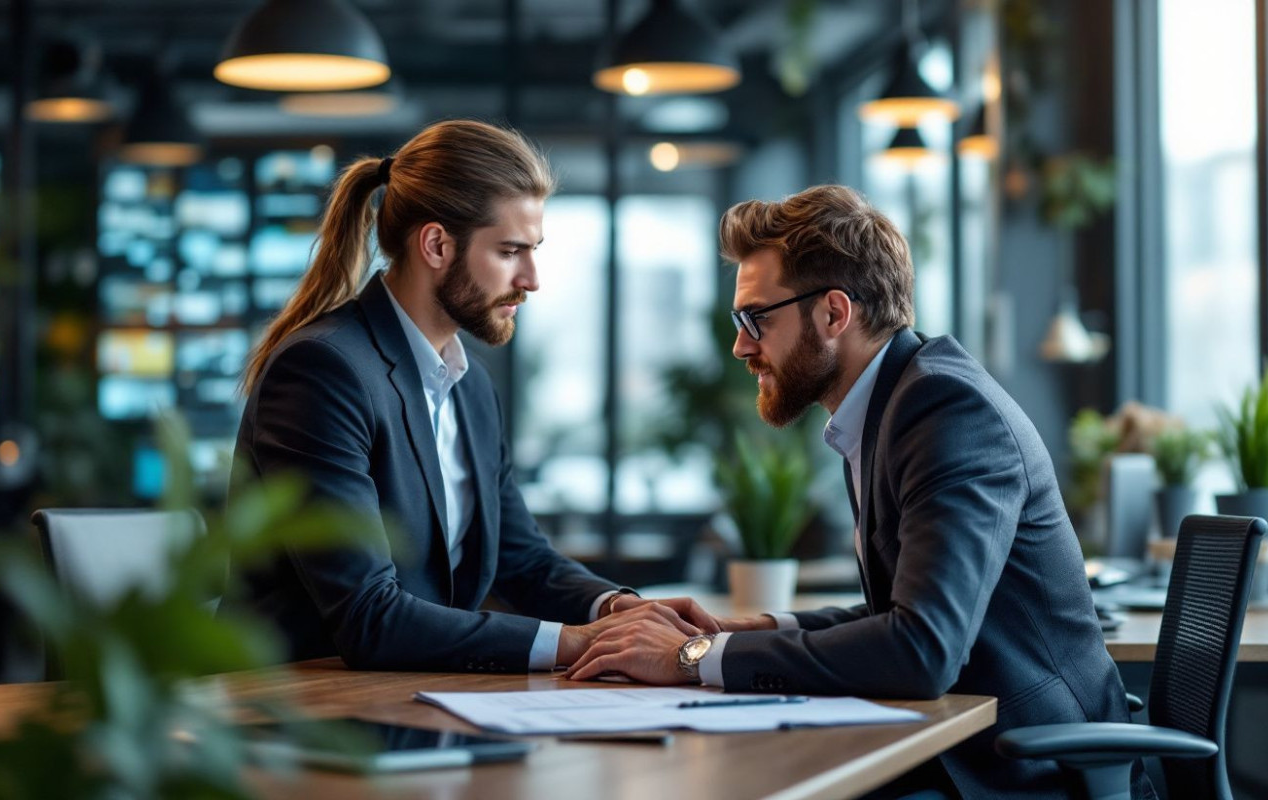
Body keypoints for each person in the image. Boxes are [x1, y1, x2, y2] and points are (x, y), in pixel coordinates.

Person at [566, 185, 1143, 798]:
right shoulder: (889, 403)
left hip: (1024, 771)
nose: (740, 345)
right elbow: (897, 613)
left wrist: (694, 658)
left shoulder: (947, 411)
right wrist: (748, 629)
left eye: (755, 317)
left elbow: (922, 649)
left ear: (834, 314)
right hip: (964, 743)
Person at [226, 120, 715, 673]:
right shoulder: (324, 370)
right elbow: (368, 616)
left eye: (534, 251)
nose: (531, 279)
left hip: (414, 699)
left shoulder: (471, 385)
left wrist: (621, 609)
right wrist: (580, 643)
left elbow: (521, 559)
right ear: (436, 245)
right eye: (510, 251)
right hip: (292, 711)